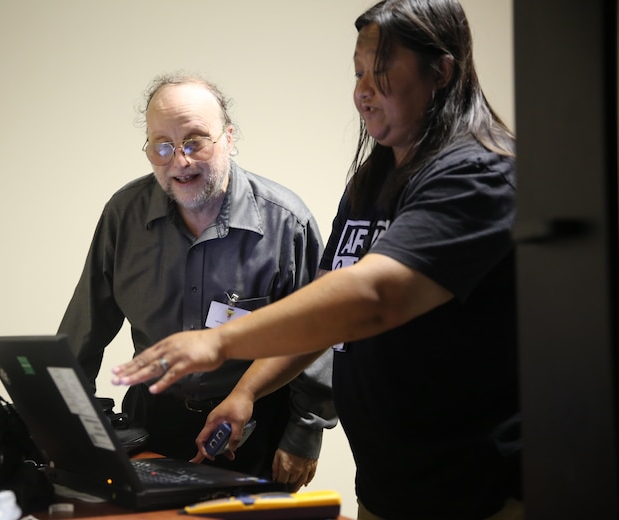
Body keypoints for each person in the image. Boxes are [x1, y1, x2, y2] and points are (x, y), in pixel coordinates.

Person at [112, 1, 522, 519]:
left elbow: (372, 298)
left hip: (477, 491)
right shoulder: (372, 181)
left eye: (381, 72)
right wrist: (246, 393)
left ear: (440, 71)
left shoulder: (479, 175)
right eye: (357, 72)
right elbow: (325, 318)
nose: (362, 91)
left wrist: (216, 342)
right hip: (391, 485)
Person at [58, 72, 336, 491]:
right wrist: (64, 422)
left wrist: (305, 434)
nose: (179, 161)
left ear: (229, 136)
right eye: (162, 146)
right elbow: (85, 327)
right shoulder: (124, 215)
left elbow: (319, 334)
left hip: (254, 427)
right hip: (151, 424)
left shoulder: (285, 222)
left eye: (195, 141)